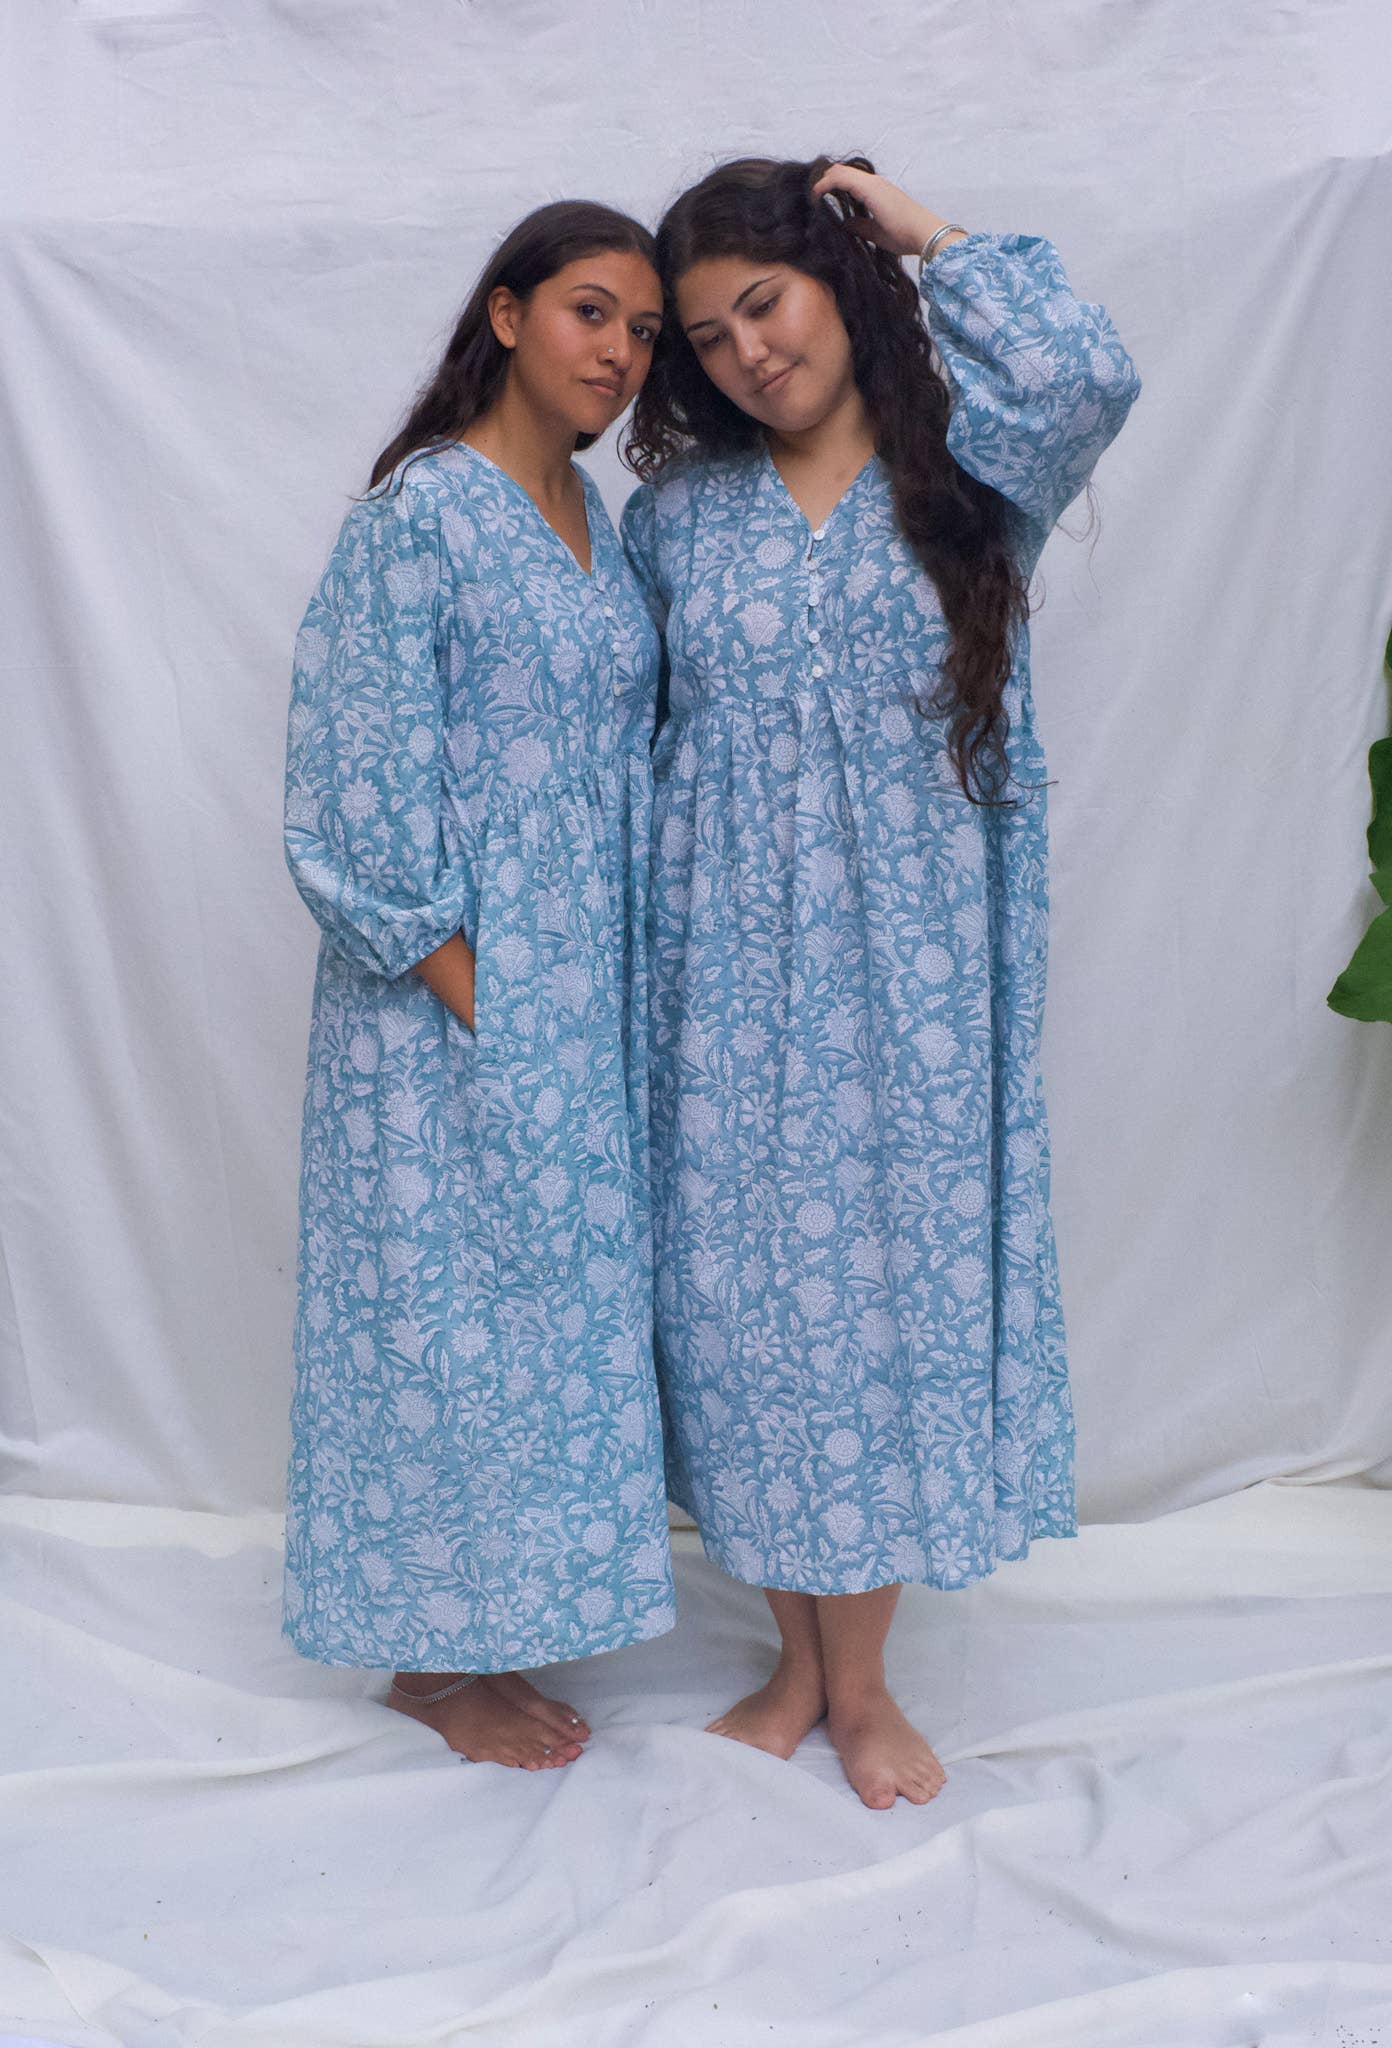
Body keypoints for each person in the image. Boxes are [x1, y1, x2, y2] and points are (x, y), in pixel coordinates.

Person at [621, 155, 1141, 1809]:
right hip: (717, 984)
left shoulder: (972, 471)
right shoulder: (673, 524)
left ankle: (860, 1687)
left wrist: (921, 232)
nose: (746, 355)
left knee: (872, 1317)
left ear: (836, 286)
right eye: (707, 337)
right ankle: (795, 1666)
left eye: (763, 305)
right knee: (743, 1321)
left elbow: (1086, 371)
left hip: (910, 990)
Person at [282, 200, 676, 1769]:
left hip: (577, 993)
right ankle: (432, 1672)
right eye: (591, 312)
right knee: (441, 1318)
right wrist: (483, 998)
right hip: (446, 1004)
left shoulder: (594, 513)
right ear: (506, 315)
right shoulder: (422, 516)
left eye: (644, 332)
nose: (621, 353)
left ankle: (496, 1633)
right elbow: (351, 786)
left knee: (535, 1327)